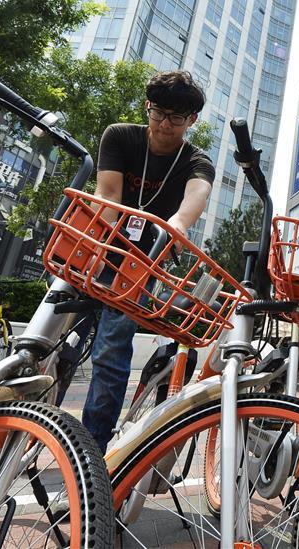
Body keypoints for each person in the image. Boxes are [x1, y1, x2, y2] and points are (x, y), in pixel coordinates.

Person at [81, 70, 214, 452]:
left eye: (176, 118)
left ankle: (90, 452)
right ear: (147, 106)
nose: (163, 125)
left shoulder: (195, 161)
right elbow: (106, 196)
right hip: (95, 245)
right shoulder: (120, 136)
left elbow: (195, 198)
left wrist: (177, 225)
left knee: (110, 351)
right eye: (158, 113)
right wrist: (102, 250)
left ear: (191, 120)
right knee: (55, 331)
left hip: (143, 263)